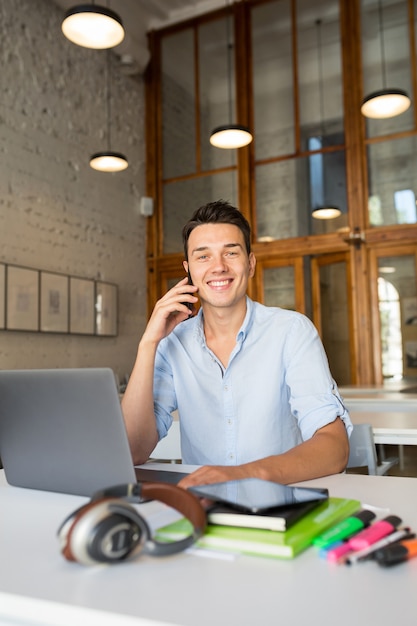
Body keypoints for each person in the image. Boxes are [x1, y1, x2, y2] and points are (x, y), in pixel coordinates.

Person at [122, 200, 352, 488]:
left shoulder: (291, 331)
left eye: (230, 252)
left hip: (282, 502)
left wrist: (245, 473)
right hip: (203, 505)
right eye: (203, 257)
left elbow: (334, 447)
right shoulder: (172, 344)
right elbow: (132, 450)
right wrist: (148, 343)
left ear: (250, 264)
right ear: (189, 270)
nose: (218, 267)